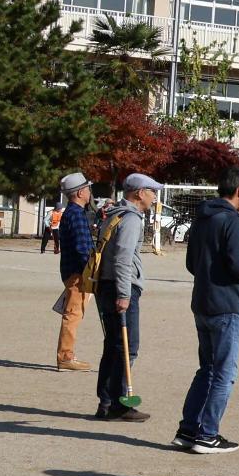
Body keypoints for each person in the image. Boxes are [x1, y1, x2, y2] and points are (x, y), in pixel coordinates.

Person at [176, 166, 239, 454]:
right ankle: (207, 433)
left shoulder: (202, 218)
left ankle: (188, 429)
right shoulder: (231, 221)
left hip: (202, 301)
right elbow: (238, 262)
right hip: (225, 305)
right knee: (224, 372)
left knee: (207, 369)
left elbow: (190, 263)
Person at [93, 173, 162, 422]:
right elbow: (122, 258)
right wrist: (124, 294)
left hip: (106, 285)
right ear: (139, 193)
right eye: (152, 192)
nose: (154, 197)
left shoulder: (115, 214)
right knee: (127, 347)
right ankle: (119, 403)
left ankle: (106, 402)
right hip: (120, 287)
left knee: (113, 346)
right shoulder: (131, 219)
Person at [54, 172, 95, 372]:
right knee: (73, 313)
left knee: (73, 312)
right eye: (87, 188)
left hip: (72, 270)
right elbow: (82, 248)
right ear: (80, 192)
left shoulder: (72, 212)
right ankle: (66, 356)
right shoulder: (76, 214)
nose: (89, 192)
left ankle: (67, 354)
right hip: (78, 273)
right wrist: (92, 270)